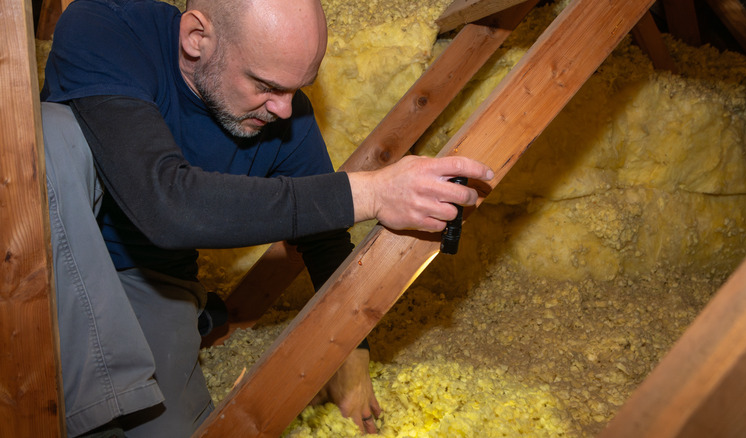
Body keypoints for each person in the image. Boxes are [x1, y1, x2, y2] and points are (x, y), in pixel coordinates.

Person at [40, 0, 494, 436]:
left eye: (296, 89)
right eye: (267, 86)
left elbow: (324, 241)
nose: (282, 108)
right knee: (49, 133)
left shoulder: (285, 117)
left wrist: (351, 354)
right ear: (197, 37)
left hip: (151, 279)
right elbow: (168, 206)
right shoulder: (108, 28)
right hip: (44, 264)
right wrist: (373, 192)